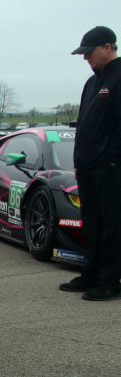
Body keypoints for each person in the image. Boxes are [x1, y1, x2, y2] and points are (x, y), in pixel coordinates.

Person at [59, 26, 121, 301]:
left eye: (90, 52)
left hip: (109, 167)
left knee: (112, 224)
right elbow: (84, 124)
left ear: (108, 47)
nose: (86, 58)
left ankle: (110, 280)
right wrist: (77, 161)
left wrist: (111, 161)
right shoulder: (92, 82)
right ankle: (92, 273)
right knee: (91, 222)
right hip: (86, 165)